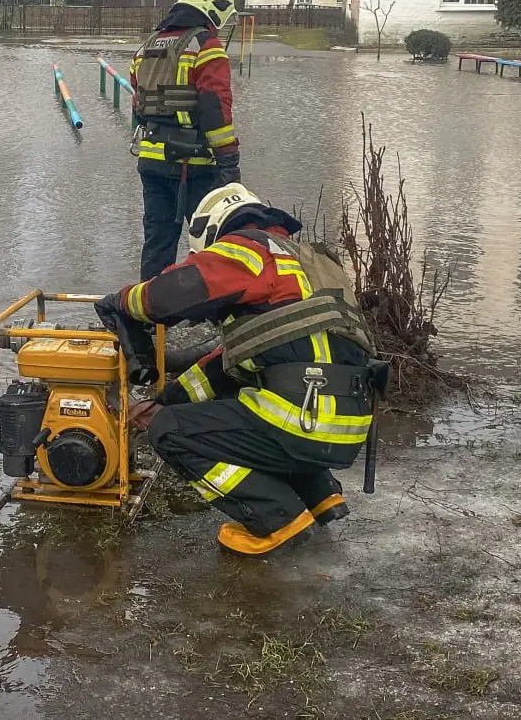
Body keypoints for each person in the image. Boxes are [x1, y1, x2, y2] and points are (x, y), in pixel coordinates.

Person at [95, 184, 381, 557]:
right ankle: (320, 497)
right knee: (250, 411)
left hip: (304, 420)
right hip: (347, 425)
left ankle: (277, 519)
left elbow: (168, 293)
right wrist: (165, 399)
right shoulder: (308, 262)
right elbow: (226, 365)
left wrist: (122, 302)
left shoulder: (246, 248)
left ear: (213, 234)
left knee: (172, 431)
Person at [129, 0, 241, 281]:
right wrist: (229, 161)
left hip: (151, 163)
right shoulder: (206, 45)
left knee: (158, 244)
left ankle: (151, 319)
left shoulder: (147, 47)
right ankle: (206, 315)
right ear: (212, 9)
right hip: (196, 167)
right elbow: (215, 109)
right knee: (211, 246)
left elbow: (138, 109)